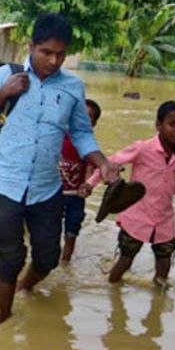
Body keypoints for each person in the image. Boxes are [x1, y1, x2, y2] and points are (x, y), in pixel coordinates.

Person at [0, 13, 120, 323]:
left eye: (60, 54)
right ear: (31, 46)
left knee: (49, 257)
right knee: (10, 257)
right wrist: (4, 92)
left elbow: (80, 133)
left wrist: (102, 163)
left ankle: (24, 287)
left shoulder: (73, 88)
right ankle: (4, 321)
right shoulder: (5, 75)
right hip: (6, 185)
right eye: (46, 52)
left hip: (47, 188)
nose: (53, 61)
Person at [82, 101, 175, 287]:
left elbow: (172, 183)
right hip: (137, 217)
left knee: (164, 261)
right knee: (125, 260)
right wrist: (89, 183)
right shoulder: (143, 149)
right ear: (159, 125)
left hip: (164, 219)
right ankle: (111, 291)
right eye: (172, 124)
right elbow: (109, 163)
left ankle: (158, 301)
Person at [58, 99, 102, 262]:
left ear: (94, 124)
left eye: (89, 117)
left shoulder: (89, 146)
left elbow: (90, 168)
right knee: (50, 229)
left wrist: (87, 186)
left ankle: (65, 262)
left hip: (75, 196)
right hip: (54, 194)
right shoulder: (58, 137)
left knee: (71, 231)